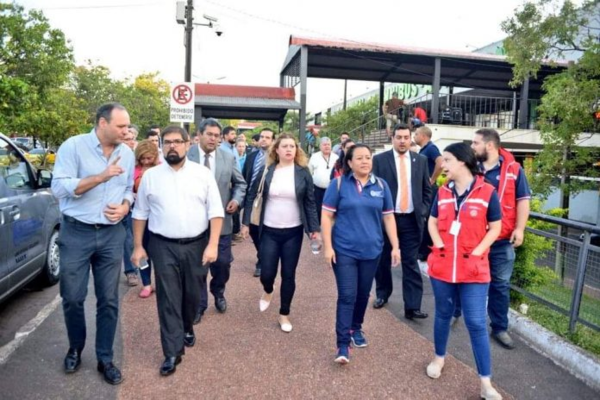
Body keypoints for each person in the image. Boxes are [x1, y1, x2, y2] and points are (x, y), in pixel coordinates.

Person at [51, 103, 134, 385]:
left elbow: (127, 191)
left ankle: (105, 358)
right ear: (102, 123)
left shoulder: (128, 153)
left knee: (108, 299)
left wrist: (125, 206)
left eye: (127, 126)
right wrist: (100, 176)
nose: (127, 131)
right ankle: (75, 347)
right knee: (73, 297)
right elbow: (59, 187)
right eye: (121, 126)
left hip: (111, 234)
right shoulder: (73, 147)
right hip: (76, 232)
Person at [131, 125, 224, 377]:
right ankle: (172, 351)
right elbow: (140, 213)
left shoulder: (202, 174)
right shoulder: (151, 176)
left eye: (177, 141)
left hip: (197, 244)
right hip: (162, 245)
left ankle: (187, 326)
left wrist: (213, 244)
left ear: (187, 144)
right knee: (168, 297)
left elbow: (215, 211)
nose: (172, 146)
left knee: (192, 295)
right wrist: (138, 246)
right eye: (167, 142)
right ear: (162, 145)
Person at [426, 142, 503, 400]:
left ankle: (485, 383)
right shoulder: (443, 192)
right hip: (443, 265)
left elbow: (495, 227)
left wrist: (480, 250)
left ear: (461, 162)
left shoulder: (487, 192)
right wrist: (437, 242)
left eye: (446, 160)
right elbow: (433, 221)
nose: (442, 165)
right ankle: (439, 358)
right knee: (443, 314)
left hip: (473, 269)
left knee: (476, 323)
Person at [321, 144, 401, 364]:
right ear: (349, 162)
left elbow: (388, 217)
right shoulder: (337, 185)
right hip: (344, 250)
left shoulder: (381, 186)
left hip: (372, 250)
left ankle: (356, 327)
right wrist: (328, 247)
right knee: (347, 294)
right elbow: (326, 217)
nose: (365, 161)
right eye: (359, 158)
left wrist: (395, 246)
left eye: (368, 158)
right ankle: (342, 344)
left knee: (363, 294)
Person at [241, 133, 320, 332]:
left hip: (293, 231)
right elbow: (251, 195)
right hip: (268, 230)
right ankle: (268, 290)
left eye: (292, 146)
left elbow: (310, 203)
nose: (288, 149)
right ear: (276, 150)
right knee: (267, 272)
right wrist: (245, 223)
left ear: (296, 150)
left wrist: (314, 229)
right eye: (284, 146)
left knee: (288, 274)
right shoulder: (267, 171)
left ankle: (284, 314)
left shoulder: (303, 172)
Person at [469, 128, 531, 349]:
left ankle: (499, 328)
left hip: (502, 239)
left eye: (475, 143)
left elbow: (522, 200)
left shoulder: (514, 170)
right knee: (465, 278)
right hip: (473, 238)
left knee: (500, 285)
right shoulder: (470, 167)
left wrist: (520, 229)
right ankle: (457, 314)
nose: (472, 147)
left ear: (489, 146)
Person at [188, 118, 247, 322]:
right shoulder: (187, 155)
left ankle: (218, 291)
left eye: (216, 136)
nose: (213, 139)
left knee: (222, 264)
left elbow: (240, 184)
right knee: (197, 268)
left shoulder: (227, 157)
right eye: (209, 134)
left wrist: (236, 200)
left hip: (222, 222)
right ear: (199, 135)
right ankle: (200, 305)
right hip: (193, 225)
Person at [372, 123, 432, 320]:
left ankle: (412, 306)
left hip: (411, 221)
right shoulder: (380, 160)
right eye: (399, 137)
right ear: (393, 138)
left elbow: (426, 190)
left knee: (410, 262)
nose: (403, 141)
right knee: (382, 260)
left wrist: (422, 211)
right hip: (387, 219)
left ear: (411, 138)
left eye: (406, 137)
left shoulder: (420, 160)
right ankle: (382, 294)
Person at [241, 128, 275, 277]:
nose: (264, 139)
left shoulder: (275, 159)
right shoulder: (251, 156)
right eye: (262, 137)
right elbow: (243, 177)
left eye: (267, 137)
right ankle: (262, 255)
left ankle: (262, 262)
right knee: (253, 230)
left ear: (273, 141)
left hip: (266, 199)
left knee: (263, 230)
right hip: (250, 197)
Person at [133, 140, 160, 298]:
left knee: (159, 251)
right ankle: (146, 283)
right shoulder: (134, 170)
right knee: (141, 250)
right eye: (142, 158)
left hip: (158, 216)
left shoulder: (162, 169)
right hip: (140, 216)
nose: (145, 161)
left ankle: (160, 281)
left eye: (149, 158)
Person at [414, 125, 443, 262]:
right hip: (423, 190)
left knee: (428, 220)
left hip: (430, 190)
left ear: (423, 136)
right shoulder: (423, 150)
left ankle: (426, 251)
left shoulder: (431, 148)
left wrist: (432, 179)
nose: (414, 136)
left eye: (416, 134)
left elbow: (440, 162)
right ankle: (422, 250)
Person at [122, 129, 139, 287]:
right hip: (110, 208)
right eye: (127, 139)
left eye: (133, 139)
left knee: (129, 240)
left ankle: (131, 271)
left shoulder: (136, 158)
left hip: (129, 207)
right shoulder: (114, 157)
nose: (131, 142)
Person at [308, 136, 338, 223]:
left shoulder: (336, 157)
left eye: (328, 144)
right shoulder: (314, 157)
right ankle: (318, 227)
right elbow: (309, 172)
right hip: (317, 189)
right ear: (320, 146)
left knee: (331, 209)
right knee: (317, 208)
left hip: (332, 189)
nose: (327, 146)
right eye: (324, 144)